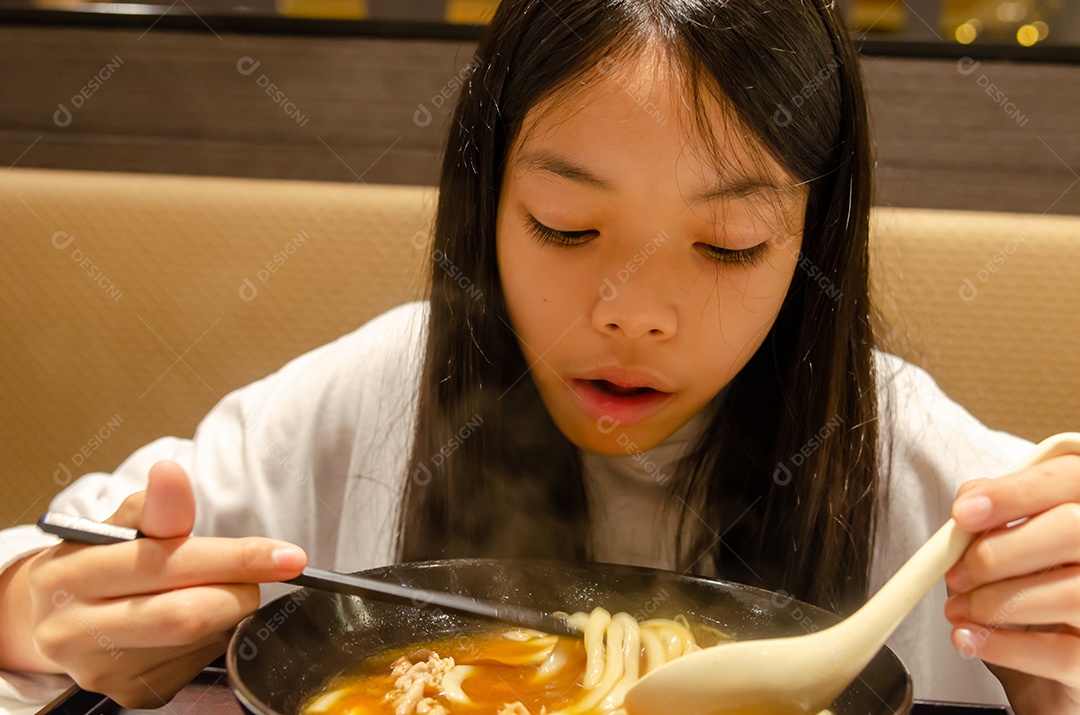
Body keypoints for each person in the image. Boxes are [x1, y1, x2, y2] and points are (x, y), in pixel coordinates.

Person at [1, 0, 1078, 713]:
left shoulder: (928, 478)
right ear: (487, 208)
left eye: (727, 245)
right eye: (566, 226)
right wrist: (51, 612)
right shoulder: (372, 397)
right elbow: (36, 578)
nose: (633, 313)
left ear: (813, 243)